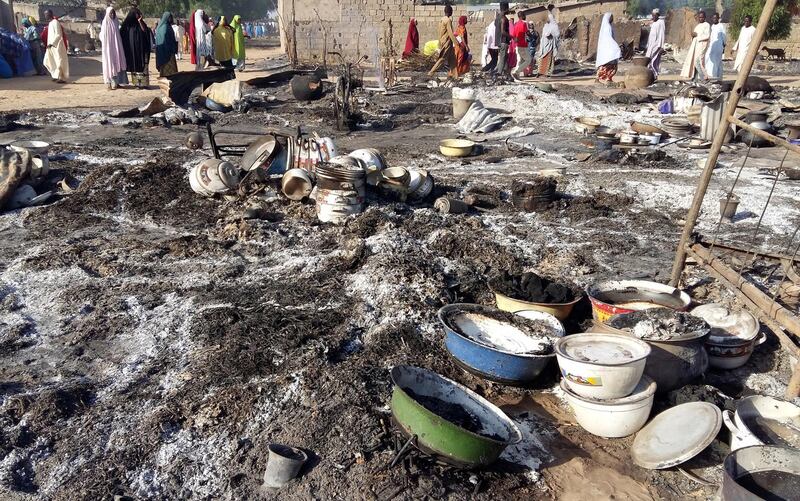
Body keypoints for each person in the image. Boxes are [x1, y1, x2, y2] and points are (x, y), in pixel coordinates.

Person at [120, 8, 151, 87]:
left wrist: (140, 21)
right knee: (134, 66)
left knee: (142, 65)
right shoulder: (127, 25)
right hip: (132, 51)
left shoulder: (141, 23)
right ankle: (137, 84)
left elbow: (145, 31)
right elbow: (122, 35)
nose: (139, 15)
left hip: (141, 50)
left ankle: (143, 84)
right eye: (137, 13)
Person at [99, 7, 127, 89]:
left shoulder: (116, 22)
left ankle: (117, 83)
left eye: (113, 13)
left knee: (118, 62)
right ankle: (109, 83)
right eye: (110, 13)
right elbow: (102, 35)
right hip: (109, 48)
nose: (112, 15)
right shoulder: (105, 23)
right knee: (109, 63)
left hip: (117, 46)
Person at [427, 5, 458, 78]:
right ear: (450, 12)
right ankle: (431, 72)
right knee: (442, 59)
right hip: (447, 42)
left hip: (443, 40)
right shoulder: (448, 20)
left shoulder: (442, 19)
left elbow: (440, 32)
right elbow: (450, 33)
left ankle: (455, 76)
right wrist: (456, 43)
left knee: (452, 60)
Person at [681, 10, 710, 81]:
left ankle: (705, 76)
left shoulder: (707, 25)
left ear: (705, 17)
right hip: (696, 46)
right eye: (699, 17)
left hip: (702, 45)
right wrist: (693, 35)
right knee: (695, 61)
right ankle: (695, 77)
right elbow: (694, 36)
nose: (701, 19)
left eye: (702, 17)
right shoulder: (697, 26)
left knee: (699, 61)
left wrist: (697, 35)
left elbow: (707, 36)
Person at [42, 10, 68, 83]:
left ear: (50, 14)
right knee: (48, 61)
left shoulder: (55, 22)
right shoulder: (50, 23)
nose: (45, 16)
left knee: (59, 62)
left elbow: (58, 35)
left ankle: (62, 78)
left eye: (46, 14)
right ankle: (55, 75)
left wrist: (52, 43)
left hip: (57, 45)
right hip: (51, 46)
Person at [595, 12, 620, 84]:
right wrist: (615, 46)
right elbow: (609, 39)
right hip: (609, 49)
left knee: (603, 65)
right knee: (612, 65)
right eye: (611, 17)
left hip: (604, 50)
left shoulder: (604, 27)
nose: (612, 19)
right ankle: (608, 79)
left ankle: (598, 78)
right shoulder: (608, 27)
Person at [538, 5, 559, 77]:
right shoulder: (550, 17)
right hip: (548, 41)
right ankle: (544, 73)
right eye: (554, 9)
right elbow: (548, 30)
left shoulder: (550, 17)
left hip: (549, 40)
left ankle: (543, 72)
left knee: (547, 57)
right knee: (547, 57)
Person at [155, 11, 178, 77]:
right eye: (170, 18)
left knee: (164, 70)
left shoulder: (160, 27)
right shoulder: (166, 27)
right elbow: (167, 40)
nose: (171, 19)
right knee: (170, 72)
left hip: (161, 52)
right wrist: (172, 48)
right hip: (168, 53)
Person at [705, 13, 726, 80]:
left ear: (718, 18)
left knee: (716, 61)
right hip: (712, 45)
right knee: (708, 58)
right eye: (713, 18)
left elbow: (724, 36)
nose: (714, 19)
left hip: (719, 46)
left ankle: (715, 76)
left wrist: (724, 45)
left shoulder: (721, 26)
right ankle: (712, 75)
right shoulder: (712, 26)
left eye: (716, 18)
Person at [646, 9, 665, 79]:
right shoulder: (654, 23)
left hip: (657, 45)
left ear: (657, 15)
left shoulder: (661, 22)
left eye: (654, 15)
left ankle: (654, 75)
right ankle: (650, 75)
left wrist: (661, 46)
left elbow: (662, 34)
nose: (652, 17)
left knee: (654, 60)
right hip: (651, 45)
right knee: (648, 59)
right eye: (652, 15)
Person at [511, 11, 529, 78]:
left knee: (519, 60)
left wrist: (516, 42)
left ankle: (516, 76)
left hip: (517, 45)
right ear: (523, 16)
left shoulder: (516, 24)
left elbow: (513, 36)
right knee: (528, 60)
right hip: (523, 45)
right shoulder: (524, 23)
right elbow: (527, 33)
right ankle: (516, 71)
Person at [496, 7, 512, 77]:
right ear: (505, 9)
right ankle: (499, 73)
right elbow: (503, 31)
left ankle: (505, 72)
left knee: (505, 57)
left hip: (499, 40)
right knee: (503, 57)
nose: (508, 10)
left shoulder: (497, 18)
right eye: (508, 8)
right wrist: (512, 37)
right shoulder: (503, 19)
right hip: (503, 40)